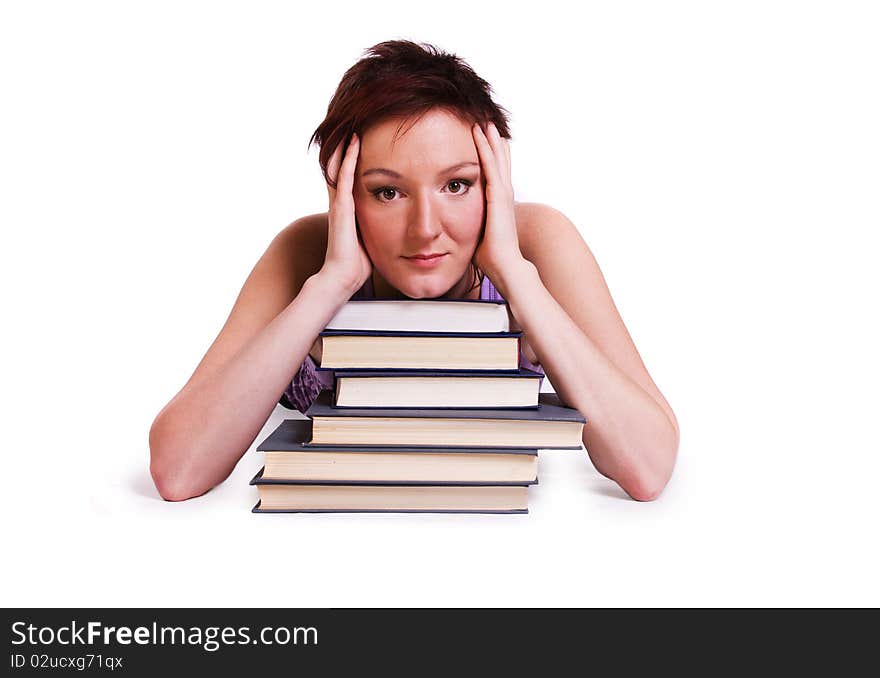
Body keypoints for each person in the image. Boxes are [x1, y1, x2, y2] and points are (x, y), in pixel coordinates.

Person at [149, 40, 679, 503]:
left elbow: (648, 467)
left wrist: (514, 273)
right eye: (387, 191)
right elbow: (179, 470)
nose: (425, 229)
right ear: (344, 192)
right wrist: (330, 283)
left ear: (494, 182)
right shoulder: (308, 252)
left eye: (457, 185)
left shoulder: (536, 242)